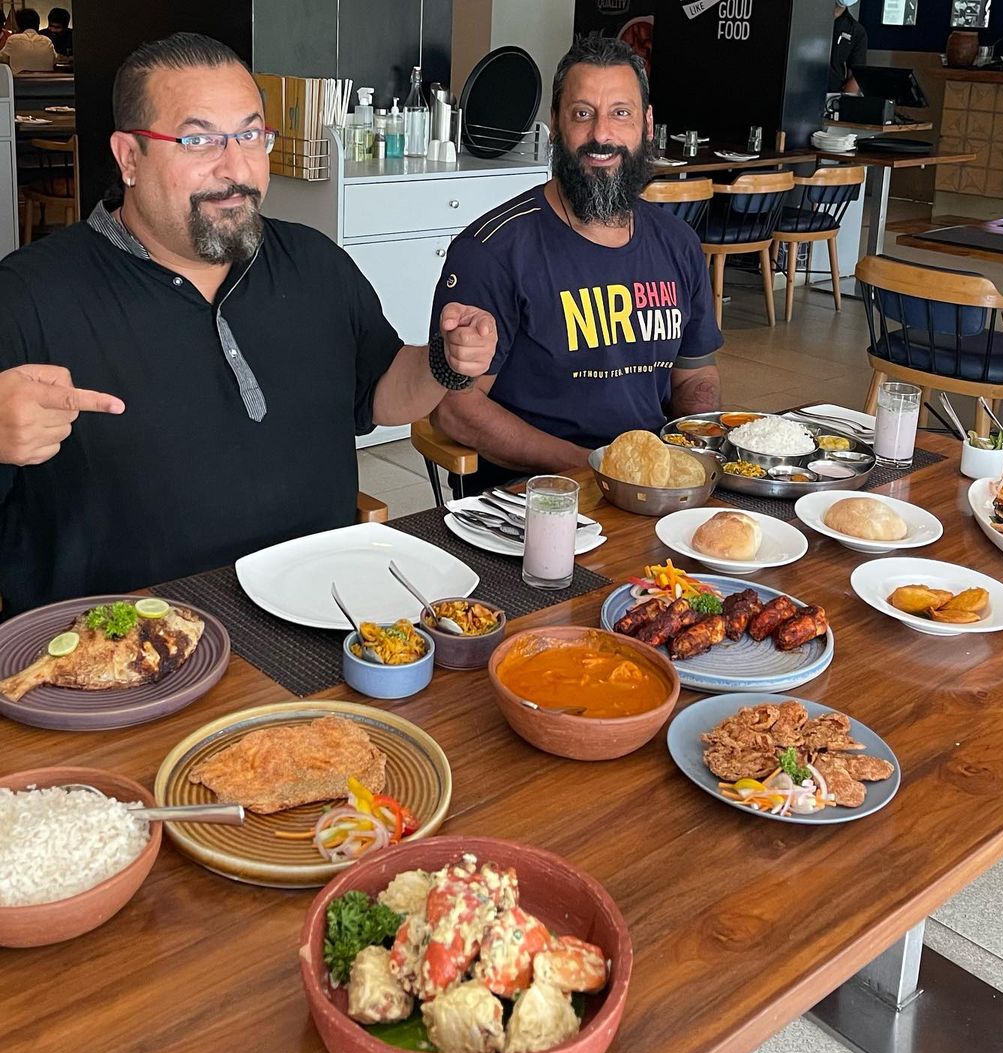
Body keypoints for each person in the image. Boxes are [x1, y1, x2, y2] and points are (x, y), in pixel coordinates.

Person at [0, 33, 496, 617]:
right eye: (198, 139)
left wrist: (444, 360)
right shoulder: (29, 296)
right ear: (129, 157)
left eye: (250, 134)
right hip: (123, 653)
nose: (235, 168)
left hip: (320, 617)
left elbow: (382, 392)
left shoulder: (315, 263)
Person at [428, 37, 723, 494]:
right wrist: (594, 467)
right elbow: (454, 406)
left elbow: (697, 374)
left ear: (647, 124)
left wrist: (686, 457)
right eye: (582, 114)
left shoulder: (678, 244)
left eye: (620, 113)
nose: (601, 135)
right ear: (556, 127)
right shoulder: (494, 250)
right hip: (535, 490)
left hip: (650, 489)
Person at [0, 9, 56, 74]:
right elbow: (55, 59)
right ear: (38, 25)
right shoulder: (47, 41)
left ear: (18, 25)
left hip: (19, 83)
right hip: (47, 83)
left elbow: (2, 58)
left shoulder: (13, 40)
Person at [829, 0, 867, 94]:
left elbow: (855, 76)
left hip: (831, 94)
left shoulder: (856, 31)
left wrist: (843, 102)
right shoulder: (810, 17)